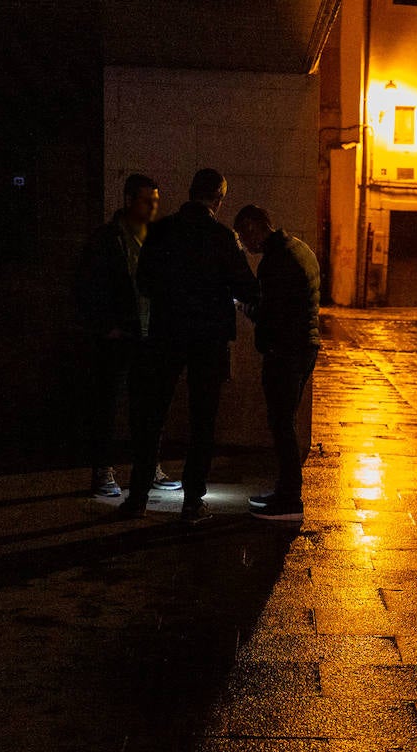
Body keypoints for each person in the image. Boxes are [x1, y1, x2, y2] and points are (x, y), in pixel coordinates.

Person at [120, 168, 258, 523]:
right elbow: (246, 288)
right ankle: (192, 500)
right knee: (203, 419)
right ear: (219, 198)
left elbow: (145, 283)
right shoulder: (223, 237)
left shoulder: (162, 230)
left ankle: (137, 497)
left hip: (166, 332)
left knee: (153, 414)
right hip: (208, 340)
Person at [73, 174, 180, 499]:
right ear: (129, 200)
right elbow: (88, 285)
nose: (154, 206)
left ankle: (148, 468)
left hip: (148, 334)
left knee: (148, 405)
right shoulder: (108, 239)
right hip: (121, 336)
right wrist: (107, 326)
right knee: (108, 403)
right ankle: (102, 471)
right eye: (148, 200)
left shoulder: (154, 238)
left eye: (156, 200)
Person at [233, 205, 320, 522]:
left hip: (286, 351)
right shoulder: (300, 248)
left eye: (244, 236)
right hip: (305, 346)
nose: (245, 244)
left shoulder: (274, 262)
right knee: (286, 423)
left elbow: (269, 316)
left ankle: (289, 501)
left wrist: (243, 305)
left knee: (282, 425)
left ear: (254, 227)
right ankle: (284, 491)